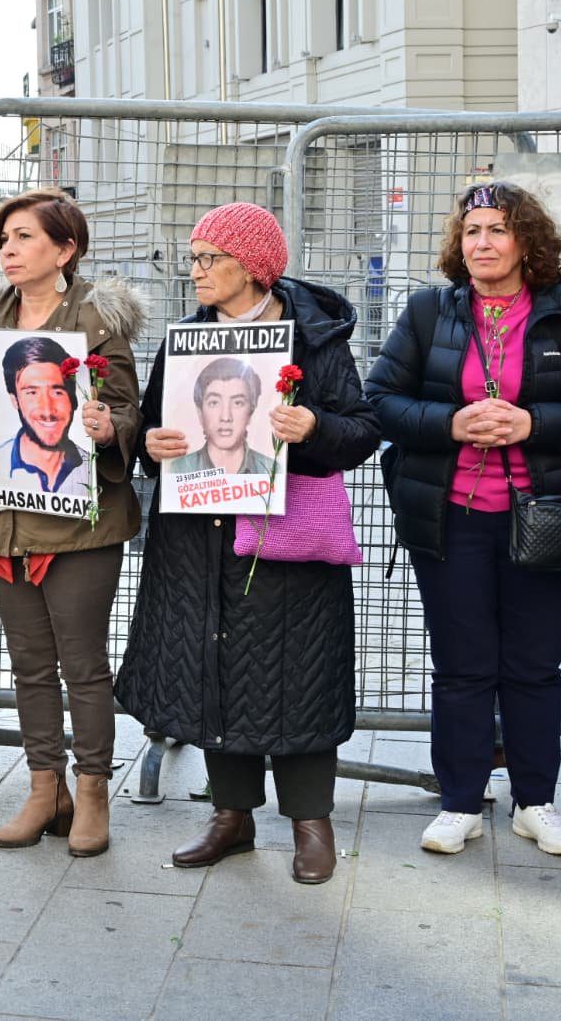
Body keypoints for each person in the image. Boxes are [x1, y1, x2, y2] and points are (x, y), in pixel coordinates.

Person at [114, 202, 380, 885]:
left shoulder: (313, 339)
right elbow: (151, 431)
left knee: (299, 674)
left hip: (285, 540)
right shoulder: (185, 339)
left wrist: (312, 427)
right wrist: (152, 443)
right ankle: (231, 816)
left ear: (253, 267)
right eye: (194, 257)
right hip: (196, 540)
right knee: (214, 665)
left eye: (209, 258)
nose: (194, 271)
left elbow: (360, 430)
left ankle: (310, 823)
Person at [364, 181, 561, 856]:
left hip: (541, 518)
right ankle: (460, 803)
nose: (480, 242)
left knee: (534, 666)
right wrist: (451, 422)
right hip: (451, 518)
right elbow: (381, 401)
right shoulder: (427, 312)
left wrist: (529, 422)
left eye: (497, 230)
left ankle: (536, 802)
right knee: (461, 665)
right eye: (471, 230)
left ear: (526, 242)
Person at [0, 188, 142, 857]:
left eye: (23, 237)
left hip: (80, 527)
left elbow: (129, 411)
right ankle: (46, 788)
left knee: (83, 665)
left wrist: (106, 425)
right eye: (3, 238)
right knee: (29, 665)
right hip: (4, 521)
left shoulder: (97, 319)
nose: (7, 249)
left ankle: (93, 789)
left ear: (65, 248)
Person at [0, 336, 89, 497]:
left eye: (57, 392)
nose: (47, 410)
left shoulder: (92, 469)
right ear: (15, 400)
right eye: (32, 393)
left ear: (72, 398)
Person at [180, 357, 274, 475]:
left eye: (237, 403)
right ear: (200, 412)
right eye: (214, 403)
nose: (225, 417)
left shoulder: (272, 470)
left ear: (251, 412)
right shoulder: (177, 469)